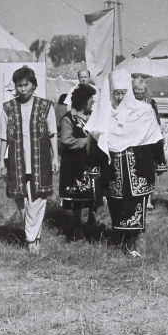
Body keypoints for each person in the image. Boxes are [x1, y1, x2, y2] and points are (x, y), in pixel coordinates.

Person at [85, 69, 164, 257]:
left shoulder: (144, 111)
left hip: (139, 166)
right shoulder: (104, 114)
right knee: (116, 203)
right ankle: (119, 237)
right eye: (116, 93)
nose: (120, 97)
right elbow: (96, 142)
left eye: (123, 92)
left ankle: (131, 243)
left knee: (136, 203)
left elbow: (155, 138)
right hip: (113, 168)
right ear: (110, 93)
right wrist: (93, 166)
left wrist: (160, 161)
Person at [0, 66, 59, 254]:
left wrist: (56, 156)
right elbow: (3, 136)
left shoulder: (45, 106)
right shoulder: (8, 108)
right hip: (17, 160)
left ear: (33, 85)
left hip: (40, 160)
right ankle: (34, 234)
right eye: (19, 86)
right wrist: (1, 159)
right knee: (20, 199)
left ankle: (31, 240)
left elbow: (52, 133)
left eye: (26, 85)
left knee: (38, 199)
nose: (22, 89)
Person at [58, 84, 101, 239]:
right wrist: (87, 140)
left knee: (95, 192)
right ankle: (77, 224)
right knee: (77, 195)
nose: (93, 103)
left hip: (92, 162)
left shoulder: (94, 118)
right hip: (74, 162)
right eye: (91, 100)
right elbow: (66, 140)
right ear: (83, 101)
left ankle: (92, 220)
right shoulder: (68, 119)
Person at [131, 74, 165, 210]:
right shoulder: (129, 102)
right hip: (135, 138)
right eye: (136, 89)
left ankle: (149, 198)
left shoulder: (151, 102)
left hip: (149, 137)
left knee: (149, 168)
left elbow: (156, 119)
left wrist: (158, 132)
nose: (139, 91)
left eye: (141, 89)